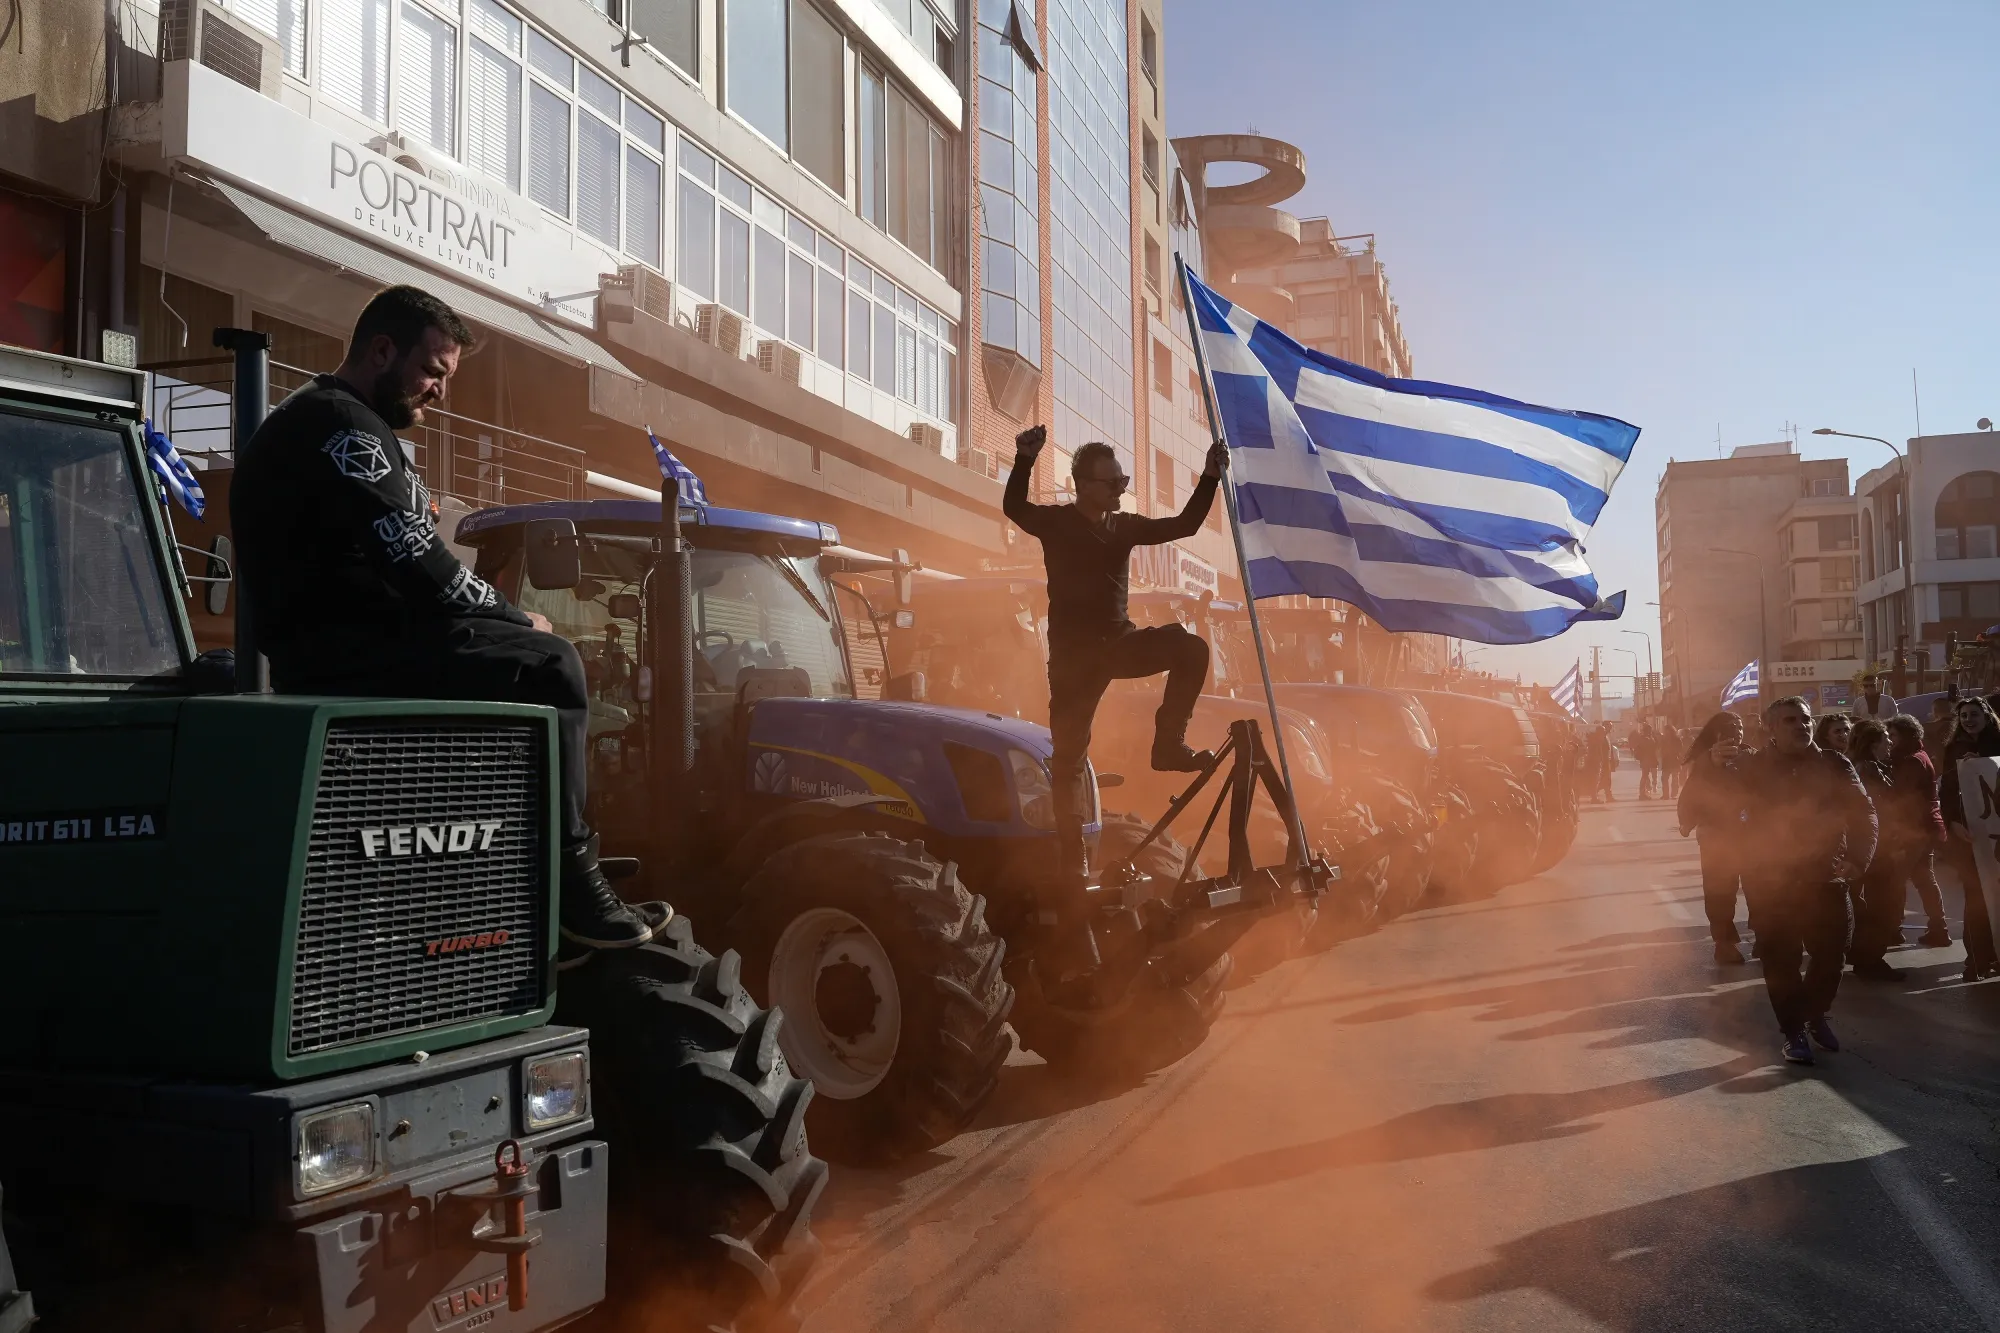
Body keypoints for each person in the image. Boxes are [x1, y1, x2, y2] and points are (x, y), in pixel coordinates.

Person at [231, 285, 654, 949]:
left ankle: (524, 853)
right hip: (348, 653)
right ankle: (572, 878)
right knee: (552, 664)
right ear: (381, 350)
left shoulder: (327, 422)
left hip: (344, 642)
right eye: (433, 372)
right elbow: (422, 567)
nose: (441, 393)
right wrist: (521, 621)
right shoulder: (344, 426)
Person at [1002, 424, 1226, 899]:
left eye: (1124, 481)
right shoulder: (1058, 523)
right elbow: (1015, 509)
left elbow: (1183, 525)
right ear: (1083, 485)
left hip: (1118, 644)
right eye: (1114, 483)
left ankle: (1168, 746)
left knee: (1191, 648)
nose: (1123, 488)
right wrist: (1024, 461)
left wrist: (1209, 477)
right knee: (1069, 760)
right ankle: (1073, 854)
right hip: (1073, 660)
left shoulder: (1124, 527)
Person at [1737, 695, 1877, 1065]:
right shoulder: (1751, 766)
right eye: (1789, 720)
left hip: (1826, 877)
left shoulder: (1834, 763)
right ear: (1771, 728)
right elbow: (1720, 810)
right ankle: (1794, 1031)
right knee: (1780, 960)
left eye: (1805, 719)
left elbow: (1864, 814)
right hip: (1771, 882)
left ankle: (1815, 1013)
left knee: (1832, 956)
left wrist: (1858, 858)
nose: (1801, 725)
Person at [1677, 711, 1752, 964]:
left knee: (1761, 890)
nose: (1738, 731)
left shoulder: (1752, 755)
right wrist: (1713, 764)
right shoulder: (1705, 761)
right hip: (1717, 838)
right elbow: (1691, 794)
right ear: (1717, 732)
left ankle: (1766, 937)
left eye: (1740, 726)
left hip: (1753, 835)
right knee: (1720, 892)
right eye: (1731, 726)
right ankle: (1724, 943)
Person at [1937, 695, 2000, 982]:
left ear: (1986, 716)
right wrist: (1952, 822)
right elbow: (1947, 791)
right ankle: (1975, 959)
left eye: (1974, 714)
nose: (1968, 720)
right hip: (1970, 837)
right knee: (1976, 899)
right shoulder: (1953, 750)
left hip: (1996, 836)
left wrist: (1985, 766)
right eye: (1963, 716)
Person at [1884, 713, 1953, 949]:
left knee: (1896, 881)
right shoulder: (1917, 756)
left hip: (1914, 830)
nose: (1889, 740)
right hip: (1925, 828)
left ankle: (1894, 929)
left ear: (1907, 735)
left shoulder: (1912, 760)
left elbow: (1903, 798)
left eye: (1893, 735)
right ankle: (1939, 929)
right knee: (1924, 880)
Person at [1845, 719, 1906, 980]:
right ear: (1873, 744)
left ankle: (1865, 957)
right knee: (1883, 905)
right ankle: (1870, 960)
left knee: (1872, 905)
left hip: (1871, 846)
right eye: (1885, 738)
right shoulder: (1868, 770)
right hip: (1877, 848)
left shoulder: (1868, 767)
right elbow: (1878, 812)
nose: (1890, 743)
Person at [1585, 724, 1613, 802]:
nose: (1604, 733)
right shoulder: (1595, 741)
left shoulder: (1597, 740)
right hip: (1594, 763)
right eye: (1603, 732)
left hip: (1598, 762)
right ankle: (1594, 798)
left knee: (1597, 780)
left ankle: (1595, 796)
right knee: (1595, 780)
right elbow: (1595, 753)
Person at [1633, 724, 1658, 800]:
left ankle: (1644, 792)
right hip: (1646, 760)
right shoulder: (1644, 739)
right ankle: (1642, 793)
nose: (1650, 731)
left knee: (1645, 776)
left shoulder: (1648, 738)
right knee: (1644, 776)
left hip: (1648, 759)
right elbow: (1649, 749)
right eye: (1649, 730)